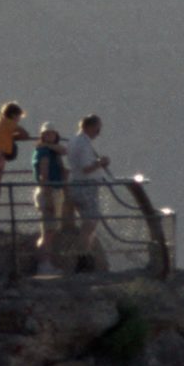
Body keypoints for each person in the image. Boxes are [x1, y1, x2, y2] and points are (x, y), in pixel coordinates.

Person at [64, 113, 113, 270]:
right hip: (86, 186)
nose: (98, 133)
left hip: (75, 184)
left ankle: (84, 256)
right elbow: (86, 168)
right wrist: (100, 162)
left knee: (88, 222)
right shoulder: (84, 144)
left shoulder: (73, 140)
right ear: (90, 127)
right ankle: (82, 258)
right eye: (97, 129)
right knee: (90, 223)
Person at [29, 123, 72, 272]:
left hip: (54, 191)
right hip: (49, 192)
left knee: (51, 231)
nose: (49, 136)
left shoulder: (50, 151)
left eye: (51, 134)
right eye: (46, 134)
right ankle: (43, 264)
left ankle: (47, 263)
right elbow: (44, 175)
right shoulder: (44, 153)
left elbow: (64, 151)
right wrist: (48, 197)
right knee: (47, 231)